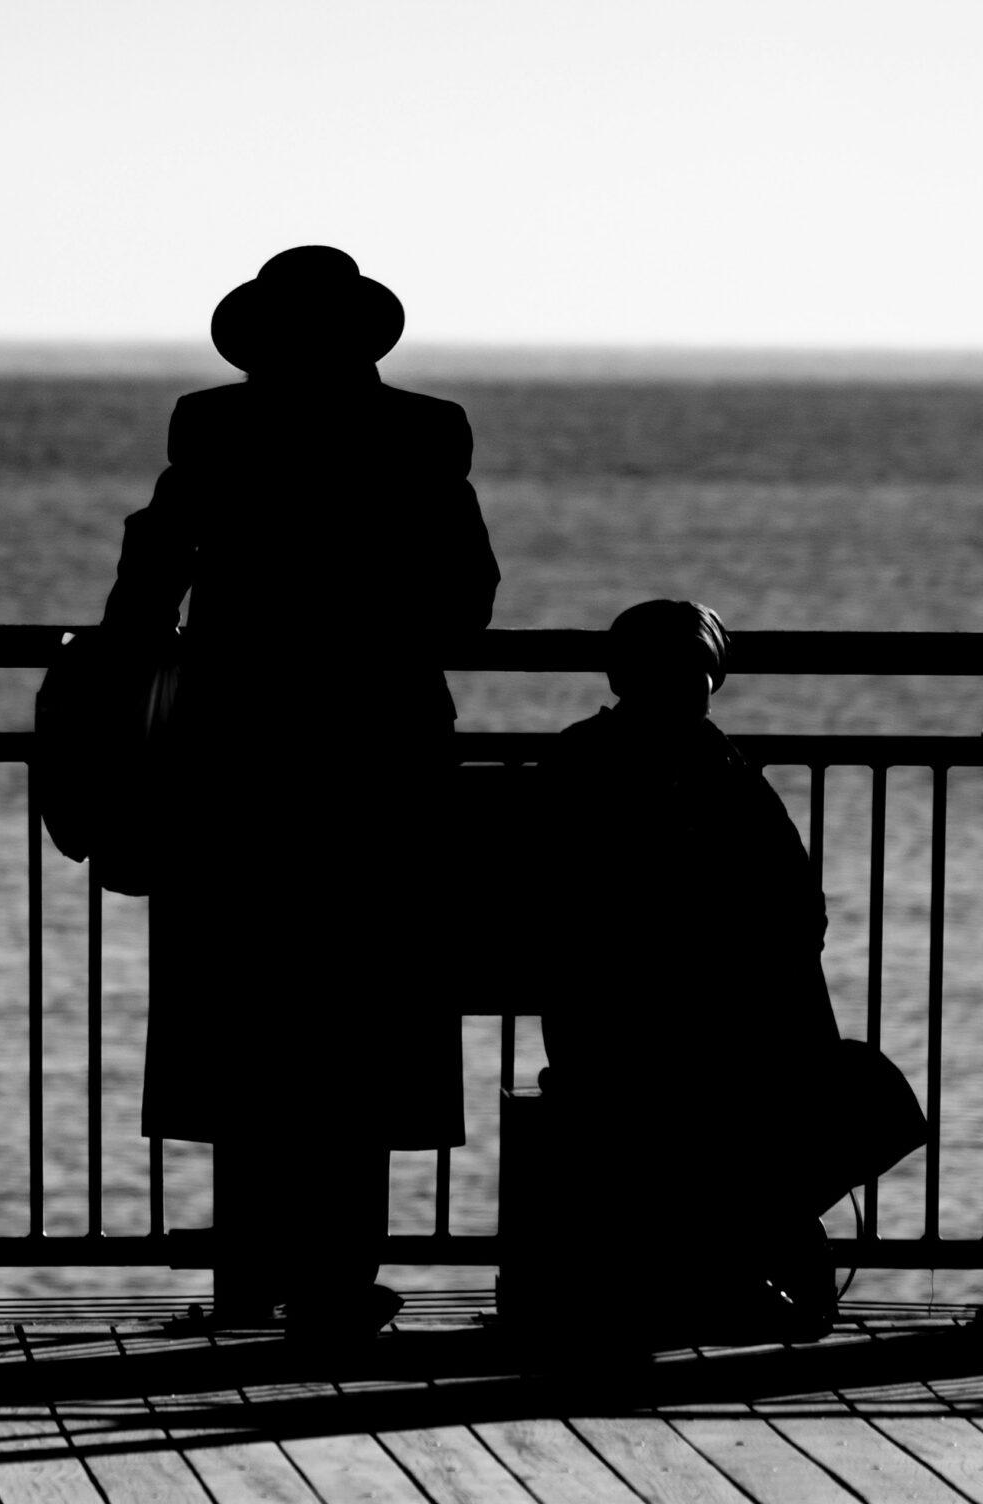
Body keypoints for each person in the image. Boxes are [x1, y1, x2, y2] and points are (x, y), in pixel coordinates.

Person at [98, 246, 500, 1338]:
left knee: (241, 1015)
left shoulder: (212, 429)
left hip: (234, 755)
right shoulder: (425, 433)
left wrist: (117, 689)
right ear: (364, 336)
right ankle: (337, 1281)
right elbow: (466, 602)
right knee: (362, 1022)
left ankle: (246, 1279)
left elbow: (149, 579)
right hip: (381, 755)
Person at [531, 600, 841, 1337]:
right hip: (625, 1014)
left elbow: (795, 904)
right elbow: (794, 900)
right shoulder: (711, 767)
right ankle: (738, 1265)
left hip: (616, 1011)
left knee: (739, 1062)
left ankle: (721, 1267)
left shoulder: (594, 755)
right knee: (747, 1075)